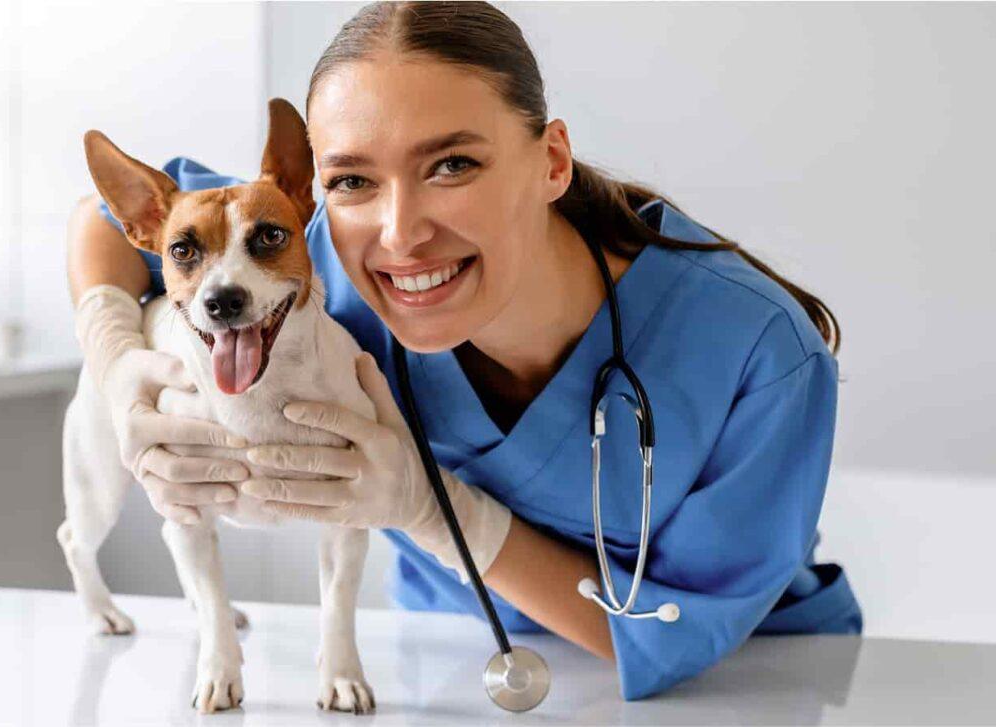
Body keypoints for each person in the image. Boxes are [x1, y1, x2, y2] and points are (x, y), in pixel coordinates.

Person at [66, 1, 862, 700]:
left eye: (452, 164)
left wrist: (435, 510)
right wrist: (109, 352)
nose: (400, 232)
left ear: (551, 161)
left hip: (758, 687)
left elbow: (676, 631)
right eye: (351, 180)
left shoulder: (757, 353)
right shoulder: (306, 267)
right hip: (451, 656)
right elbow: (108, 217)